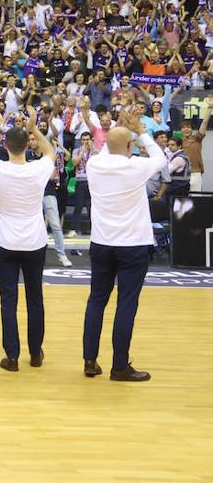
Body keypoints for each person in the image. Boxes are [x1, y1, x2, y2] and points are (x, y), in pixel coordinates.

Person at [82, 108, 166, 382]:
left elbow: (111, 148)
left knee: (96, 300)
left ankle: (90, 360)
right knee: (126, 304)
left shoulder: (93, 164)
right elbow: (160, 157)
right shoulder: (135, 167)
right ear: (130, 146)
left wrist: (121, 130)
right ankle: (119, 366)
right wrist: (141, 131)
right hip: (132, 245)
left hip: (102, 243)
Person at [0, 104, 54, 371]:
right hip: (34, 242)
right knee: (35, 298)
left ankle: (12, 356)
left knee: (8, 299)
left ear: (7, 145)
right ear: (27, 145)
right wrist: (35, 126)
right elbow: (50, 151)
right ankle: (35, 353)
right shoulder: (37, 169)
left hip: (4, 241)